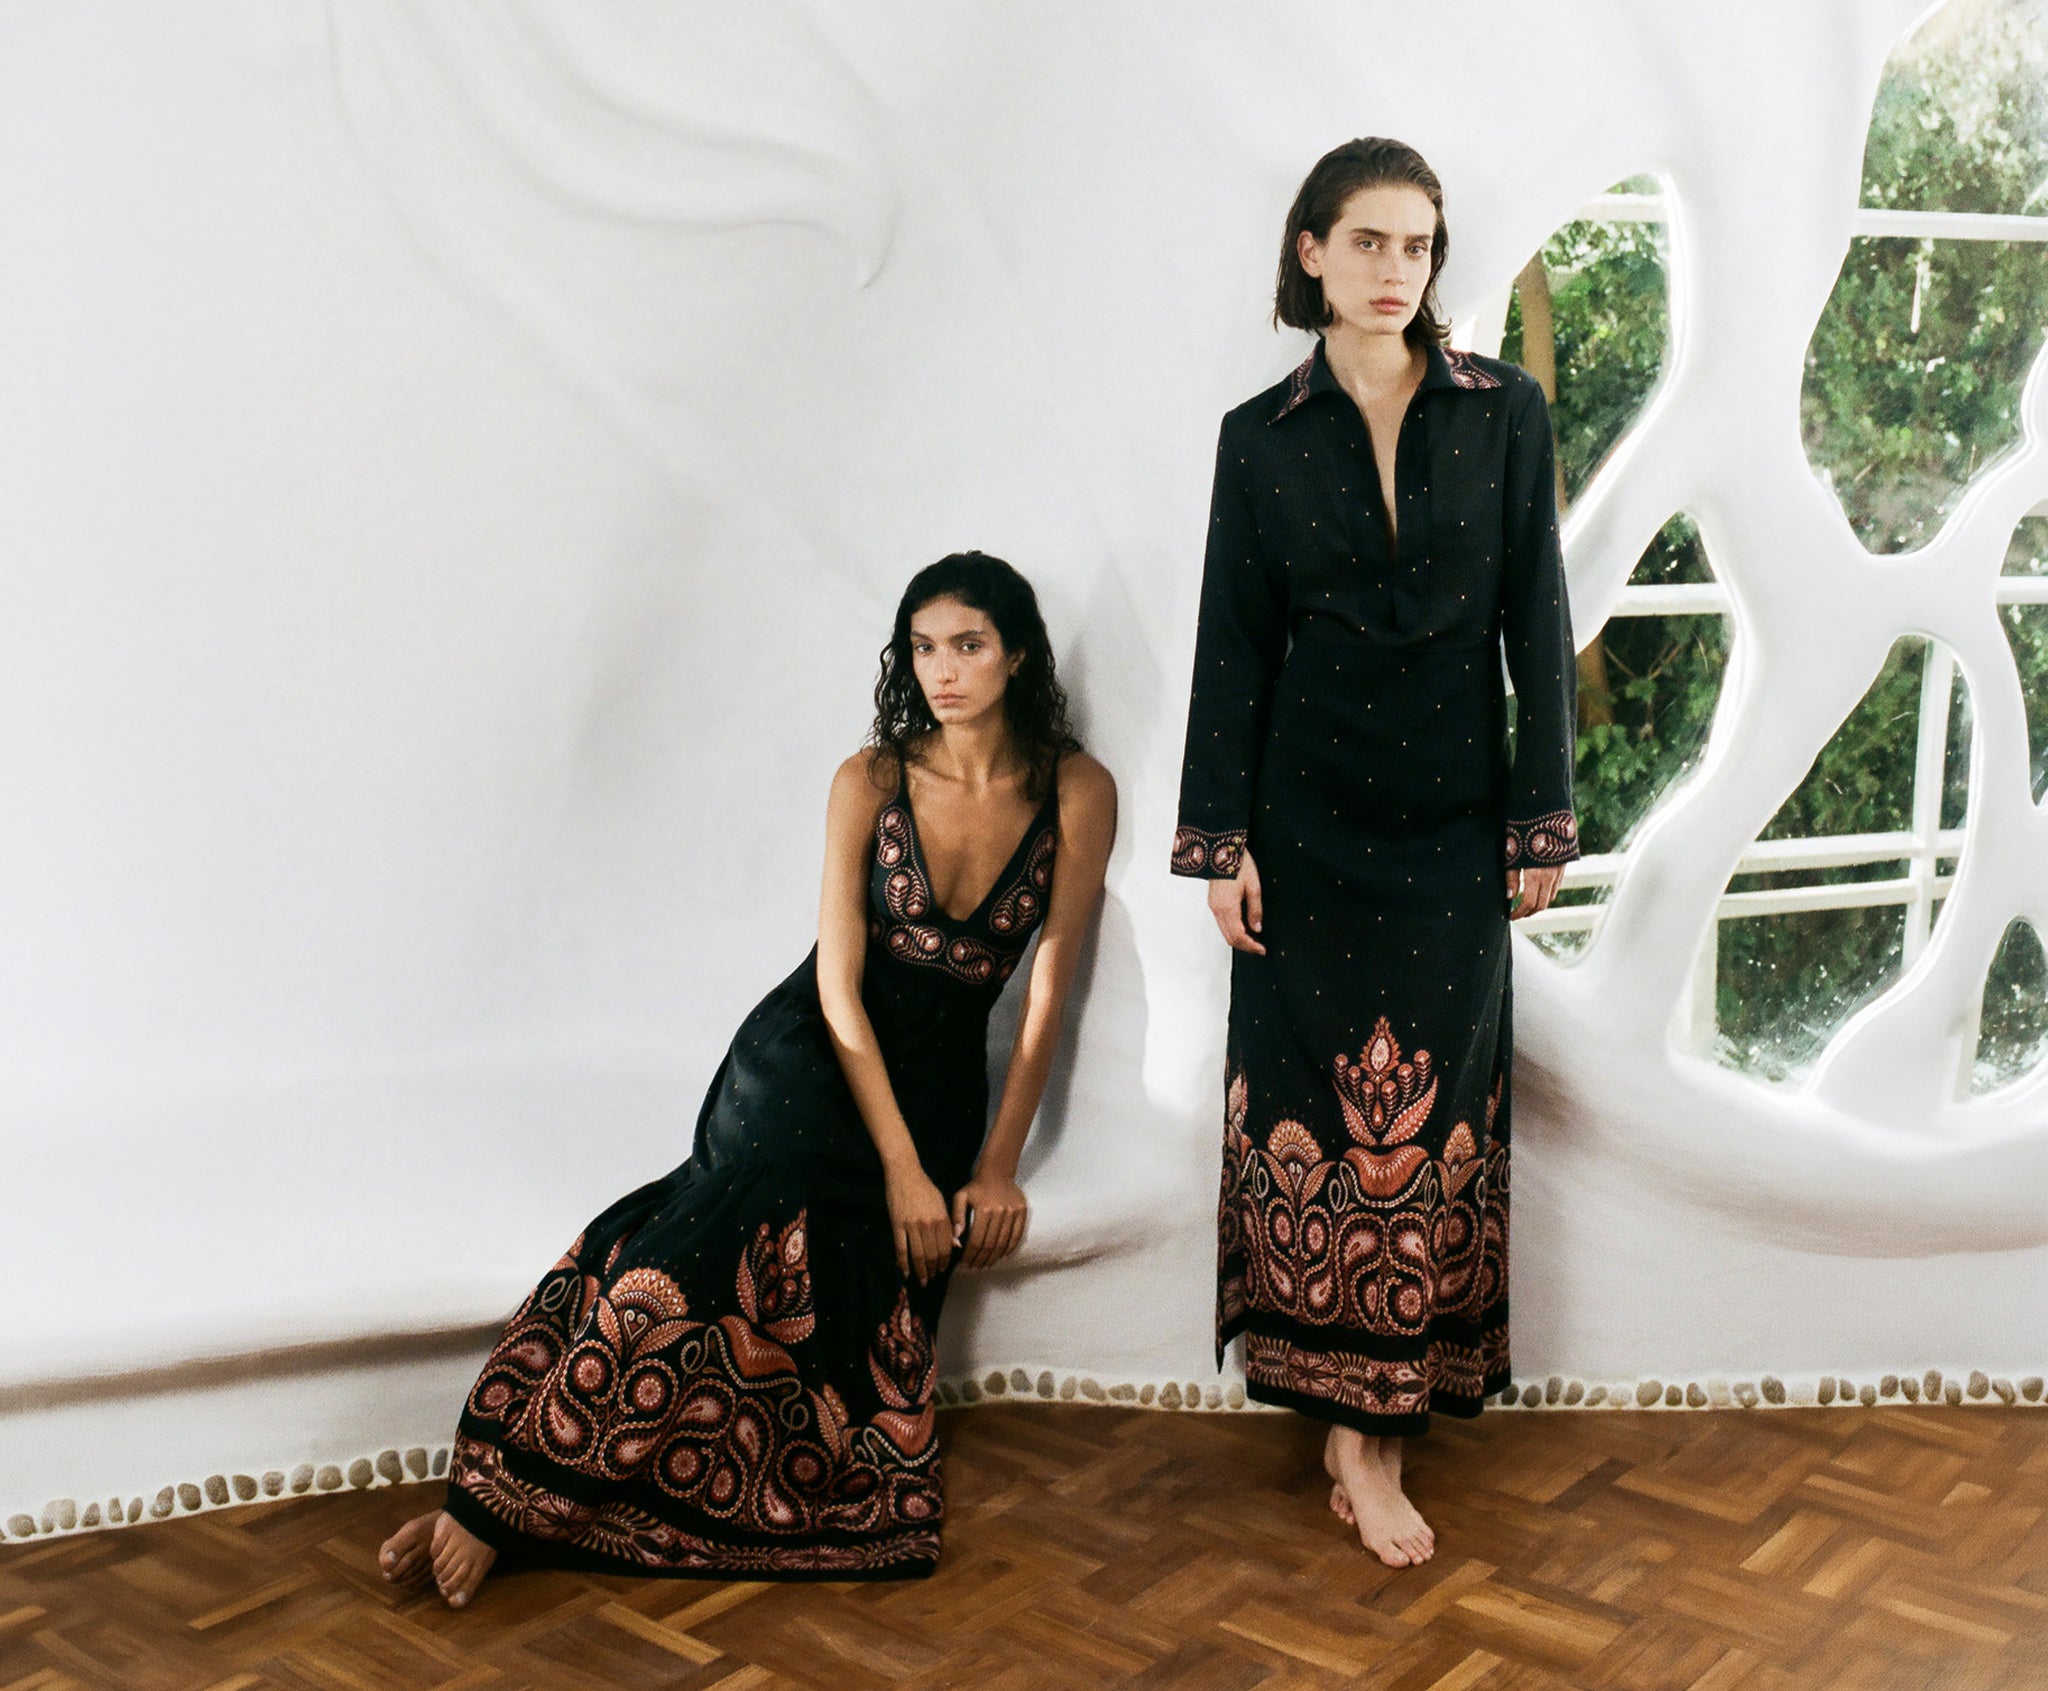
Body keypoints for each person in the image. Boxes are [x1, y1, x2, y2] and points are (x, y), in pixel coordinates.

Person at [380, 552, 1116, 1601]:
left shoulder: (1075, 789)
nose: (944, 671)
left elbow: (1048, 986)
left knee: (841, 1330)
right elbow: (838, 984)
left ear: (1019, 656)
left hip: (939, 1083)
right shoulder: (870, 778)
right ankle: (501, 1495)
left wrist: (994, 1165)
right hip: (814, 1051)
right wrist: (903, 1168)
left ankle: (530, 1502)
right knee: (721, 1226)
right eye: (923, 647)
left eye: (968, 644)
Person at [1172, 138, 1578, 1569]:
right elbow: (1234, 643)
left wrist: (1540, 814)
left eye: (1416, 245)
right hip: (1307, 828)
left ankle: (1387, 1420)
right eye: (1367, 241)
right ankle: (1349, 1432)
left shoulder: (1504, 411)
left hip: (1455, 825)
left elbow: (1537, 611)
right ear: (1311, 252)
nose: (1395, 269)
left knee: (1432, 1120)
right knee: (1315, 1107)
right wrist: (1221, 840)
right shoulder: (1259, 436)